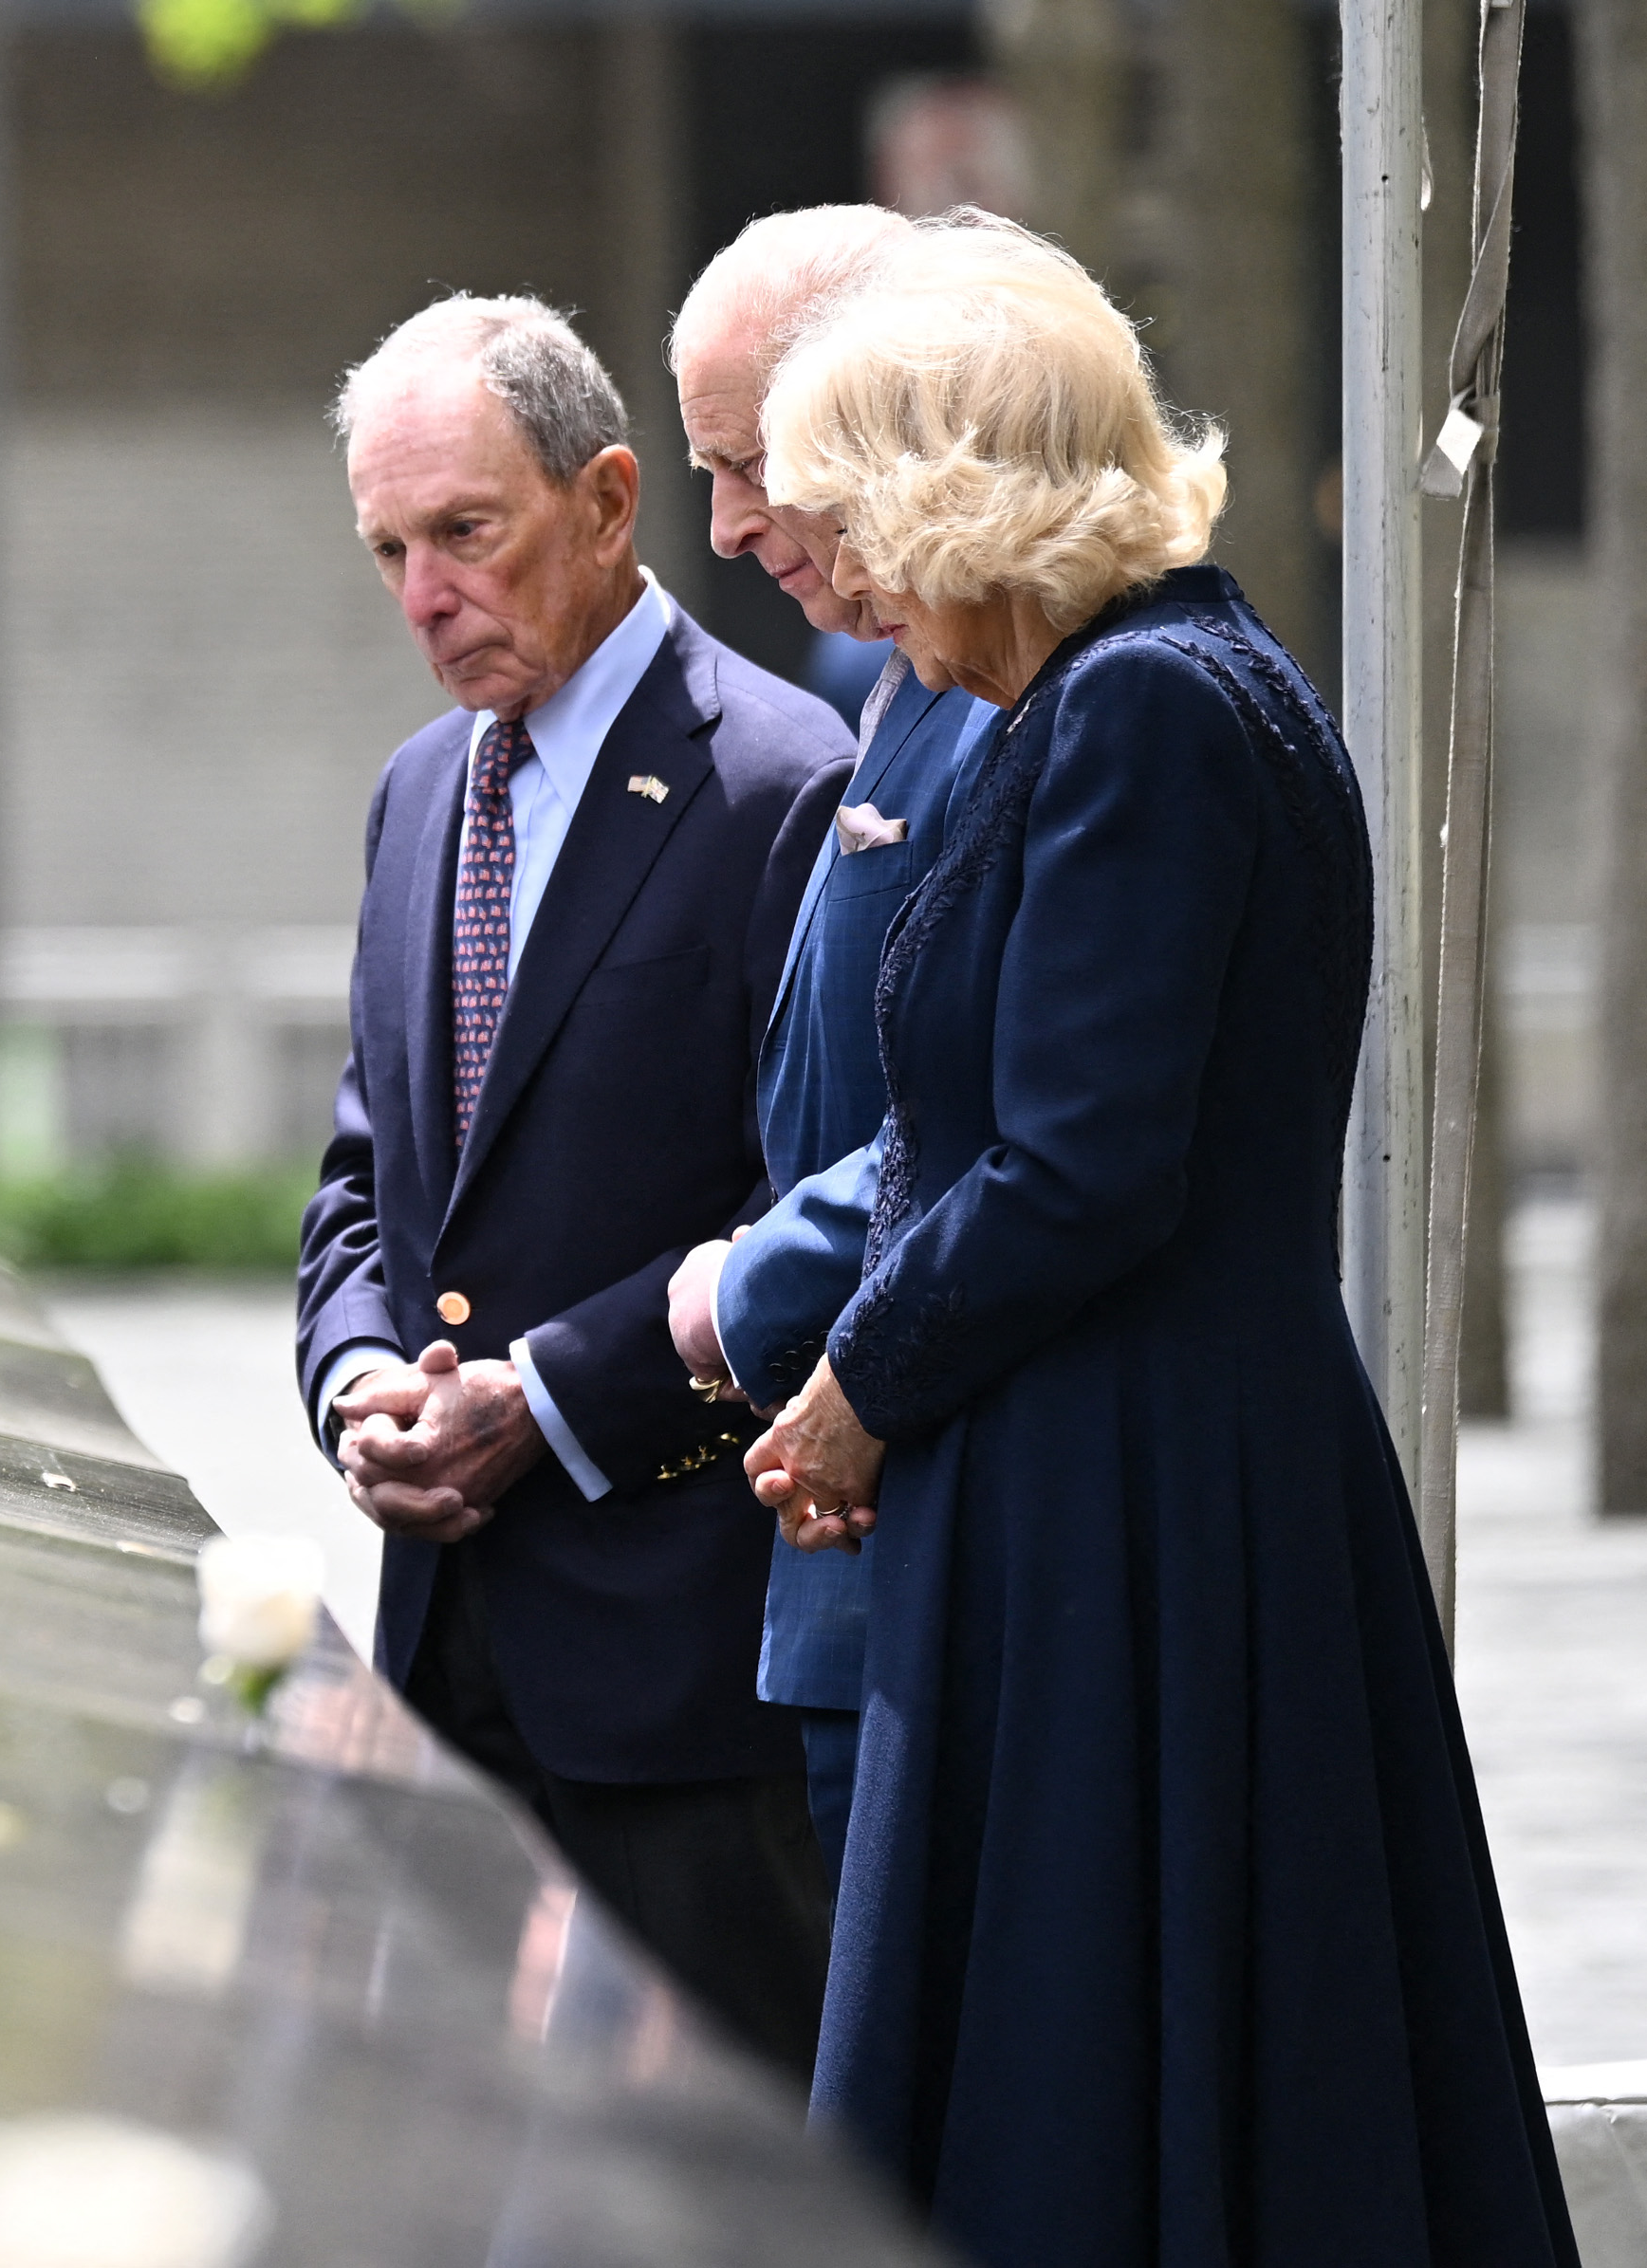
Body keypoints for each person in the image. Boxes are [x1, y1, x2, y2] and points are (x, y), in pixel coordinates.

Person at [741, 219, 1580, 2265]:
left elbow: (1080, 1163)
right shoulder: (1150, 696)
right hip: (1144, 1477)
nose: (837, 575)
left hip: (1135, 1504)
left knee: (1104, 2064)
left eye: (853, 515)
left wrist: (857, 1382)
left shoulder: (1145, 714)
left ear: (964, 494)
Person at [296, 293, 849, 2076]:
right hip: (447, 1655)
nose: (424, 594)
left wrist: (551, 1402)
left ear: (609, 501)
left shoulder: (783, 786)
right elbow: (366, 1177)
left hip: (685, 1674)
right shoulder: (409, 798)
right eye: (389, 548)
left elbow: (828, 1211)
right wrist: (357, 1380)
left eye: (466, 532)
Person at [656, 205, 1003, 1883]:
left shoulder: (1017, 696)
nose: (717, 528)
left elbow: (999, 1110)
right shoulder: (902, 680)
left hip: (947, 1542)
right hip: (851, 1548)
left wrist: (735, 1289)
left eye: (744, 463)